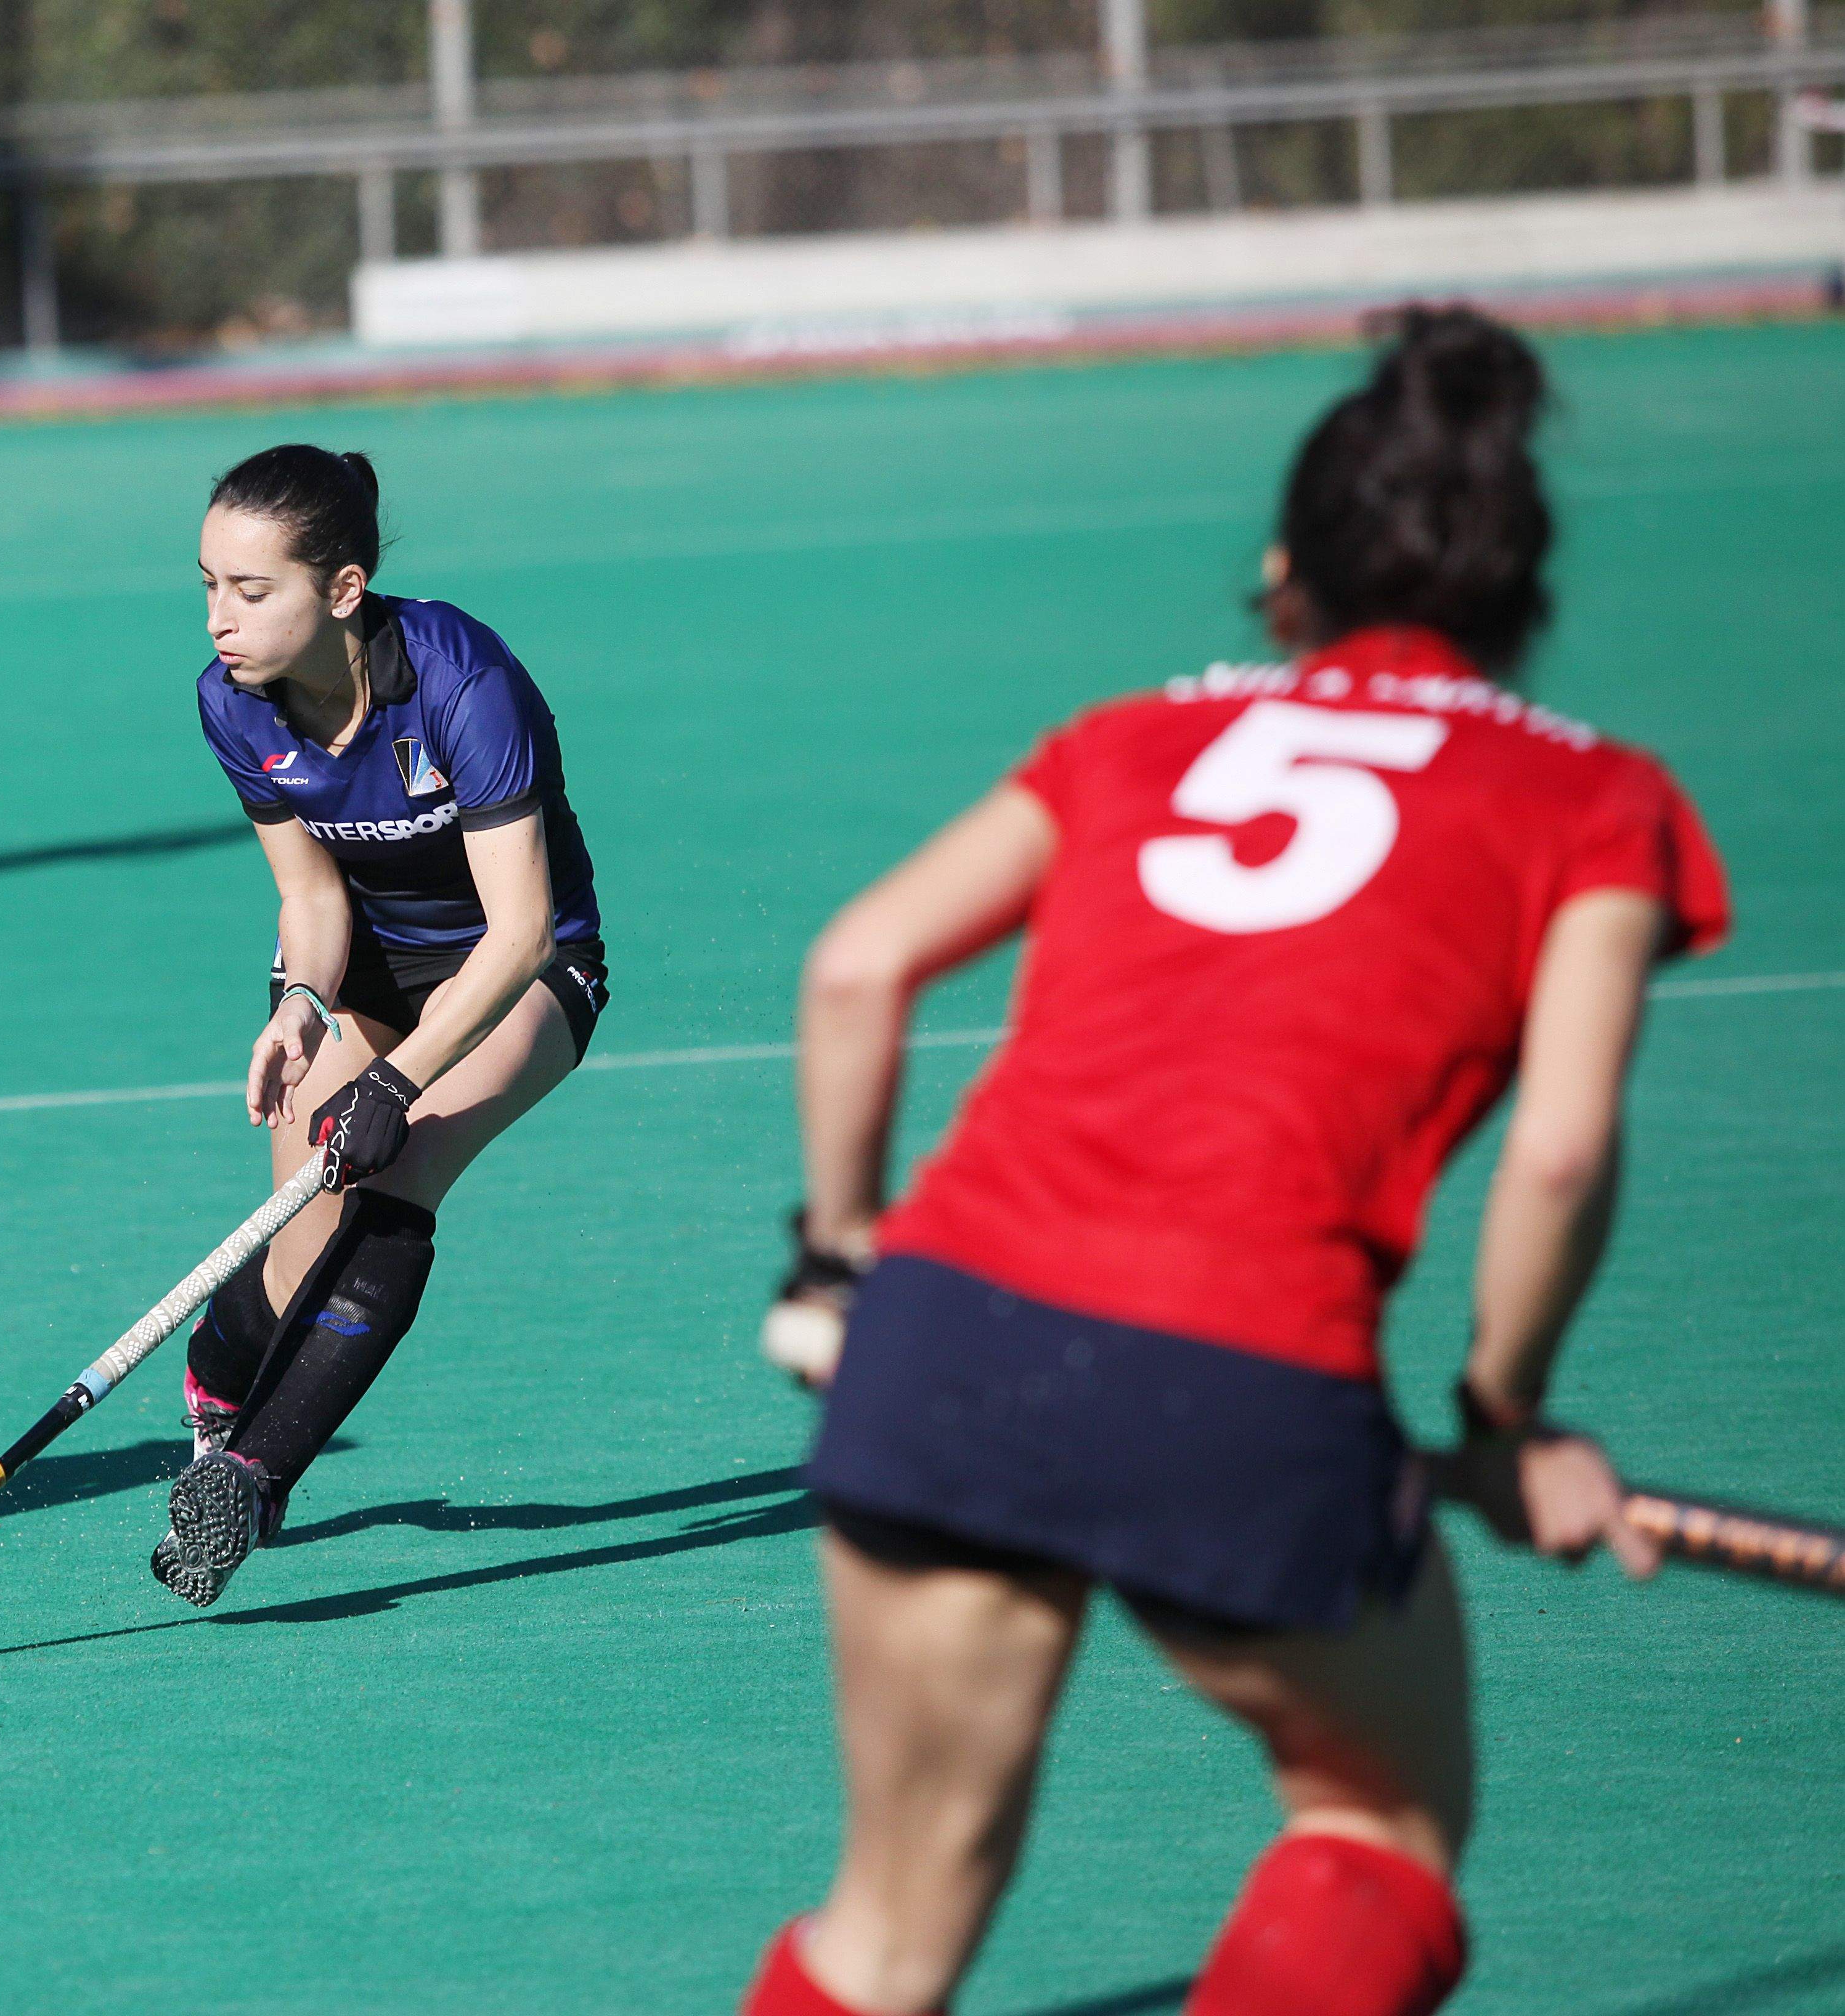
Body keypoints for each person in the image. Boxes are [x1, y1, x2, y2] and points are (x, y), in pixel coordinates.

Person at [744, 307, 1730, 2016]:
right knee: (1374, 1826)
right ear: (1521, 596)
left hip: (946, 1338)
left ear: (1287, 575)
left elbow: (856, 967)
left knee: (885, 1941)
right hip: (1245, 1377)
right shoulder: (1592, 798)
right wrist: (1509, 1420)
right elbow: (1562, 1150)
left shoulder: (1135, 733)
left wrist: (838, 1261)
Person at [155, 444, 613, 1608]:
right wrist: (300, 1007)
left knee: (395, 1185)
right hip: (359, 971)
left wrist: (396, 1085)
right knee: (291, 1265)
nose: (219, 620)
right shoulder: (231, 703)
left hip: (518, 972)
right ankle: (220, 1369)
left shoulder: (462, 681)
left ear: (344, 590)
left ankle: (252, 1481)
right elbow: (311, 899)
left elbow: (519, 933)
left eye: (251, 591)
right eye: (209, 586)